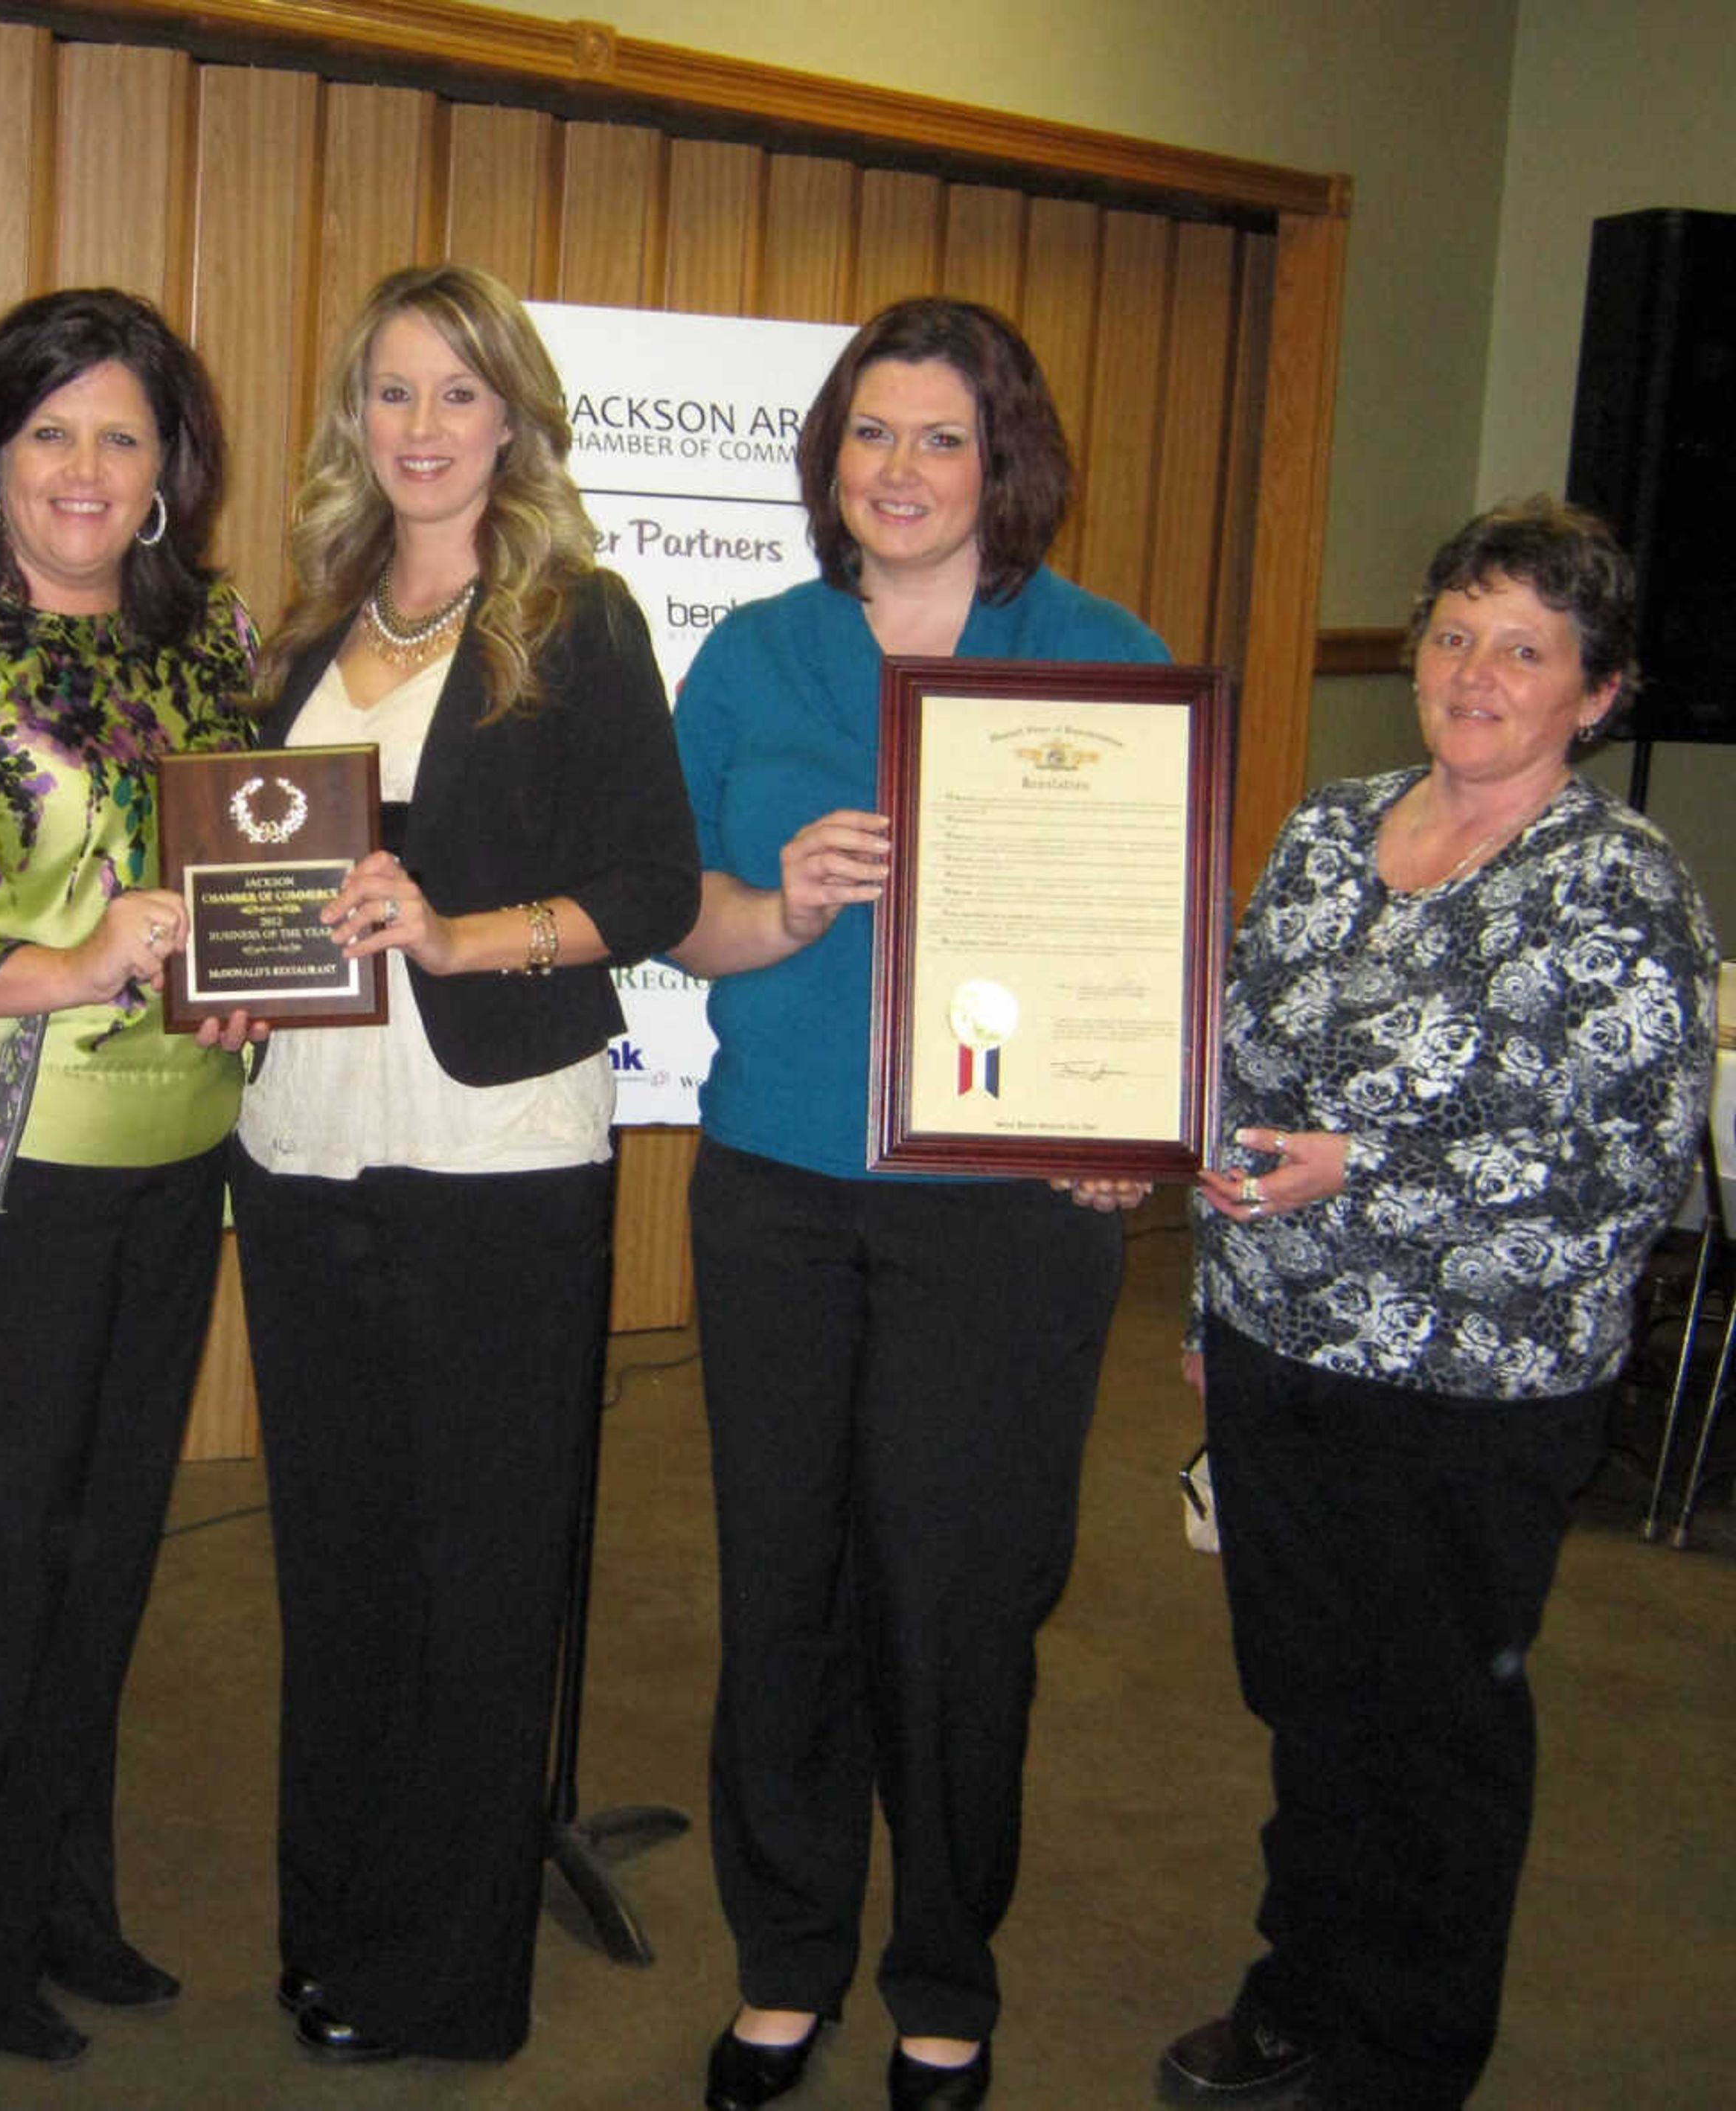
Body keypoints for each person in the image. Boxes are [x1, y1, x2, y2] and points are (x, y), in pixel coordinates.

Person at [671, 296, 1168, 2111]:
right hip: (782, 1189)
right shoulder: (753, 658)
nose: (899, 470)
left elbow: (1148, 952)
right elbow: (681, 916)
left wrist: (1134, 1122)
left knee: (958, 1606)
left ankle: (946, 1978)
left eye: (940, 438)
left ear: (1001, 460)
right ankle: (788, 1958)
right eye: (871, 435)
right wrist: (783, 902)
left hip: (1003, 1214)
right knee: (780, 1588)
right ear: (831, 461)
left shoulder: (1105, 653)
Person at [1159, 499, 1714, 2111]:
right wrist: (1214, 1298)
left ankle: (1406, 2052)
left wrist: (1367, 1173)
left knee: (1434, 1732)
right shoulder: (1331, 833)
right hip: (1282, 1349)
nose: (1478, 672)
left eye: (1526, 648)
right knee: (1312, 1706)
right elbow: (1236, 1066)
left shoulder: (1620, 890)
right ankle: (1303, 1984)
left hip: (1475, 1389)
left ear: (1595, 695)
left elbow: (1624, 1165)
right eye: (1457, 634)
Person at [229, 262, 700, 2066]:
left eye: (454, 393)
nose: (420, 428)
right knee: (340, 1570)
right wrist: (229, 983)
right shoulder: (307, 626)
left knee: (480, 1579)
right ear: (357, 421)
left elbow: (652, 888)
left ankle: (450, 1980)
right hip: (302, 1150)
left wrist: (461, 934)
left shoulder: (576, 620)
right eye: (390, 394)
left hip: (499, 1150)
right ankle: (338, 1931)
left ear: (512, 415)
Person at [0, 286, 256, 2067]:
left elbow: (257, 860)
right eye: (49, 433)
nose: (85, 469)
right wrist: (83, 962)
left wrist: (262, 967)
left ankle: (64, 1896)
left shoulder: (212, 638)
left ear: (167, 469)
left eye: (121, 435)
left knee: (102, 1562)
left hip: (176, 1157)